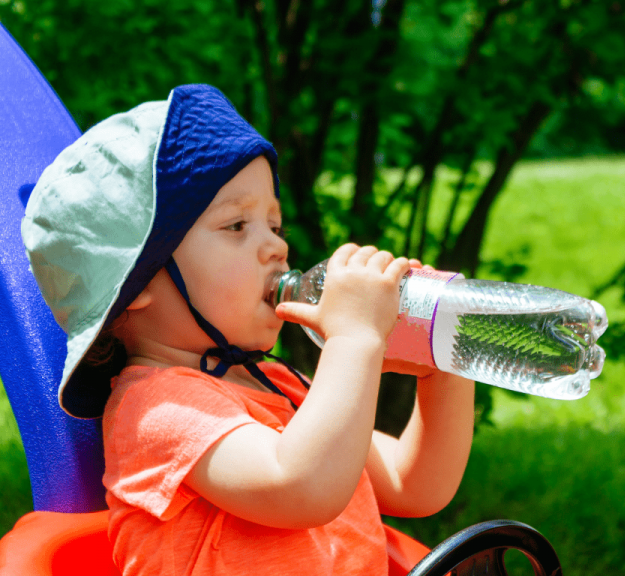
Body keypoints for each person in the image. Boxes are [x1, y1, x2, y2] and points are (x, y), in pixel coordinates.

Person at [21, 84, 475, 575]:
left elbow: (415, 483)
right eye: (237, 226)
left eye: (274, 226)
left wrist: (443, 360)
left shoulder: (278, 386)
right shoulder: (154, 409)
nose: (276, 248)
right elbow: (300, 487)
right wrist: (354, 341)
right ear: (138, 281)